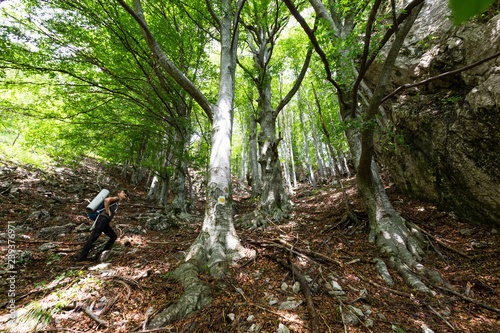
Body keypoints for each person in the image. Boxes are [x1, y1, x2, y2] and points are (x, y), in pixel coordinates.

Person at [76, 189, 128, 264]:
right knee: (93, 238)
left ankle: (103, 253)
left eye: (125, 193)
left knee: (113, 236)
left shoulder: (117, 202)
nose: (125, 194)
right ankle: (81, 259)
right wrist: (107, 211)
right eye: (123, 192)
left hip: (104, 221)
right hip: (102, 219)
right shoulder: (116, 198)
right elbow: (107, 200)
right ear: (118, 194)